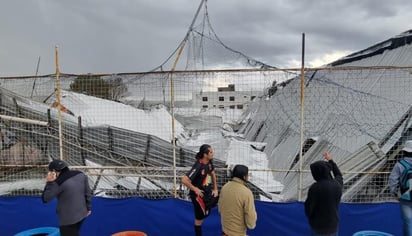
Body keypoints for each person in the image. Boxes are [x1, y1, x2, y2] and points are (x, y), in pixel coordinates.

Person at [42, 159, 92, 236]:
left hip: (67, 219)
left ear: (54, 171)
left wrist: (49, 182)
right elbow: (87, 192)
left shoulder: (58, 183)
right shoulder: (80, 174)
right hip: (82, 213)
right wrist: (88, 208)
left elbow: (45, 198)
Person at [182, 144, 219, 236]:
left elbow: (213, 174)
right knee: (199, 219)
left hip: (207, 193)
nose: (212, 153)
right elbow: (184, 180)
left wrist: (215, 189)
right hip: (198, 196)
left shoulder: (209, 163)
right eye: (210, 152)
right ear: (205, 154)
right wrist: (195, 189)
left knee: (220, 198)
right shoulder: (198, 166)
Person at [305, 152, 343, 236]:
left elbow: (309, 207)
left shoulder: (315, 188)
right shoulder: (337, 184)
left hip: (318, 226)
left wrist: (312, 218)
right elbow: (338, 174)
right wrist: (330, 161)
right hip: (333, 225)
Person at [218, 164, 257, 236]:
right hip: (238, 233)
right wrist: (251, 225)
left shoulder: (225, 187)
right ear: (244, 177)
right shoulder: (247, 193)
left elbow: (220, 208)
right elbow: (250, 218)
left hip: (225, 231)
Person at [389, 140, 412, 236]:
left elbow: (393, 180)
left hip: (405, 197)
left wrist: (394, 193)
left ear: (405, 151)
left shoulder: (399, 164)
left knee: (408, 222)